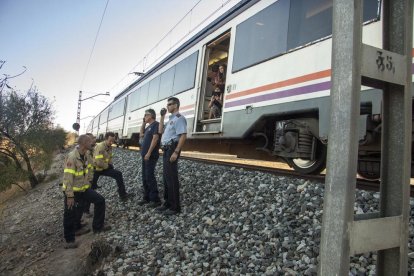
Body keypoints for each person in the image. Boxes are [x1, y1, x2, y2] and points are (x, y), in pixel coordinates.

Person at [62, 135, 109, 249]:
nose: (93, 142)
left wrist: (89, 181)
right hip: (72, 192)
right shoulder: (72, 157)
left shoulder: (87, 154)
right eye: (89, 141)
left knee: (100, 200)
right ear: (83, 143)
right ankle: (69, 241)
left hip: (83, 189)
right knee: (70, 214)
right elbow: (67, 178)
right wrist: (69, 196)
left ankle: (97, 227)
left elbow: (91, 168)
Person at [157, 97, 187, 215]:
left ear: (176, 105)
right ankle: (168, 203)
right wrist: (162, 116)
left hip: (172, 149)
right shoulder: (170, 119)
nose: (168, 106)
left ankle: (175, 207)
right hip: (166, 150)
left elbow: (183, 135)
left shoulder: (179, 118)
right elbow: (160, 131)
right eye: (167, 104)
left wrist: (176, 151)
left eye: (170, 104)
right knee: (166, 177)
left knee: (171, 178)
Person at [92, 132, 133, 201]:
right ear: (105, 139)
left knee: (118, 174)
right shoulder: (100, 146)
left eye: (113, 141)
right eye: (110, 141)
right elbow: (98, 161)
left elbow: (109, 158)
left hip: (104, 168)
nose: (111, 142)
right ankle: (86, 204)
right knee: (91, 186)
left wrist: (111, 165)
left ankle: (123, 195)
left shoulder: (109, 147)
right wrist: (107, 166)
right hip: (96, 169)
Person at [138, 109, 161, 207]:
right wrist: (143, 123)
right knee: (144, 177)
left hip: (150, 156)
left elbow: (155, 139)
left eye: (145, 115)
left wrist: (148, 153)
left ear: (151, 116)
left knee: (149, 177)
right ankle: (146, 197)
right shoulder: (148, 127)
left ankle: (155, 200)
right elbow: (141, 134)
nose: (144, 117)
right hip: (145, 156)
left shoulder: (156, 125)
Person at [83, 133, 97, 216]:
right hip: (86, 178)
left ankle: (85, 210)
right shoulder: (85, 152)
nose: (94, 139)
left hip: (90, 176)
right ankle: (85, 211)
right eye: (92, 138)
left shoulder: (91, 150)